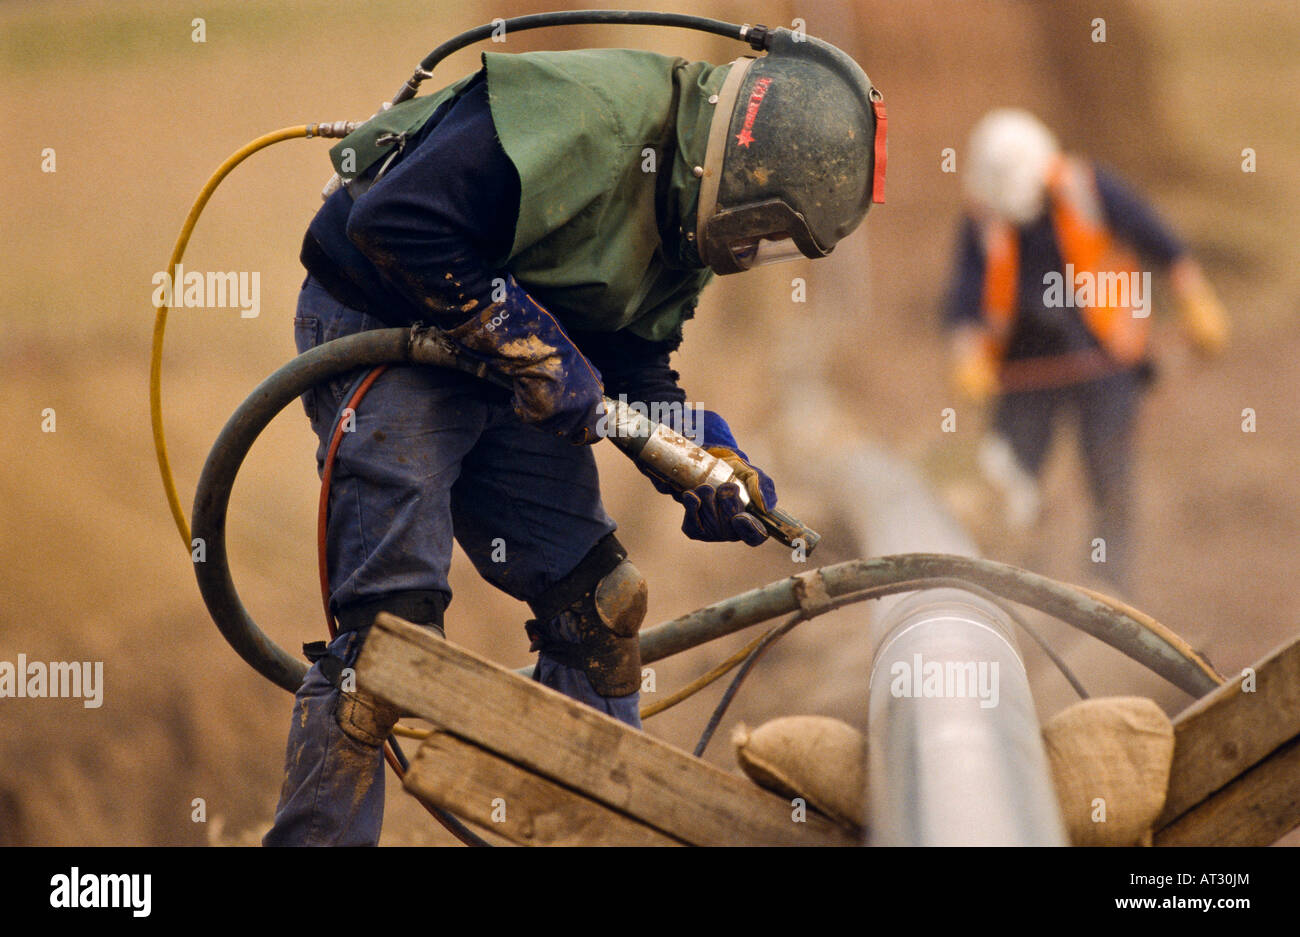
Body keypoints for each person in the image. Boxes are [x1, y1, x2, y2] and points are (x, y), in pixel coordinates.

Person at [264, 29, 885, 845]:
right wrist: (532, 342)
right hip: (386, 321)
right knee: (391, 641)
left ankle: (581, 834)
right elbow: (395, 217)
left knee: (602, 608)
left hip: (492, 357)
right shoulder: (592, 119)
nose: (751, 249)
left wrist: (697, 451)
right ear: (742, 168)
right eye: (764, 226)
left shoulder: (688, 213)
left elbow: (631, 363)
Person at [944, 108, 1228, 591]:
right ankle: (1013, 583)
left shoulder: (1088, 189)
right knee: (1010, 479)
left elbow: (1161, 241)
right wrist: (967, 355)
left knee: (1109, 476)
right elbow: (966, 297)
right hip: (1023, 365)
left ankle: (1110, 590)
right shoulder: (982, 216)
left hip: (1104, 355)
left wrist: (1196, 299)